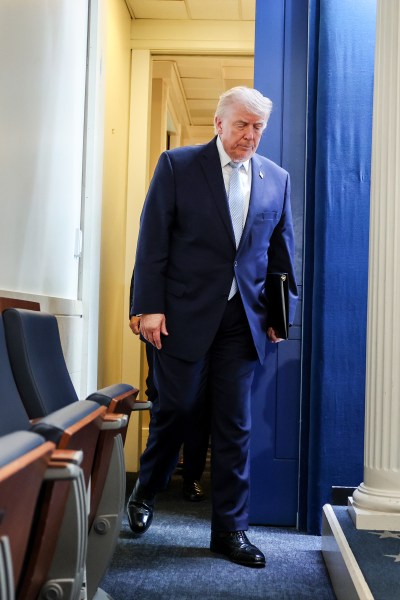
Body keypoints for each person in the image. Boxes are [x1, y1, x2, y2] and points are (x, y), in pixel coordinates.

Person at [127, 86, 298, 568]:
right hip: (181, 315)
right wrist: (149, 306)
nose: (250, 135)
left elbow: (281, 252)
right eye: (242, 124)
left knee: (234, 423)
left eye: (258, 127)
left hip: (243, 320)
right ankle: (147, 488)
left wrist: (280, 315)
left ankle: (230, 530)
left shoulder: (276, 178)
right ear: (219, 123)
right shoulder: (178, 165)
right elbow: (153, 240)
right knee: (178, 408)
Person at [129, 314, 210, 501]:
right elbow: (143, 291)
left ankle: (192, 477)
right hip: (160, 323)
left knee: (198, 403)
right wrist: (136, 311)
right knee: (159, 397)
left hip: (202, 323)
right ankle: (159, 473)